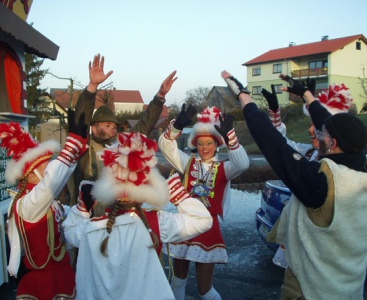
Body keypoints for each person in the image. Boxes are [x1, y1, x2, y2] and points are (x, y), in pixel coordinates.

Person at [222, 70, 367, 299]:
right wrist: (307, 94)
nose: (317, 134)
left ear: (333, 142)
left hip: (312, 288)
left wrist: (244, 97)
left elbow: (272, 143)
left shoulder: (322, 183)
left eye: (321, 134)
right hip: (349, 286)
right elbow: (331, 124)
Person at [62, 132, 213, 300]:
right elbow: (203, 220)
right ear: (145, 189)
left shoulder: (91, 227)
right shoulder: (157, 222)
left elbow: (69, 231)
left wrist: (83, 207)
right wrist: (179, 195)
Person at [158, 104, 250, 300]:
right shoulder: (187, 162)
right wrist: (177, 126)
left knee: (204, 290)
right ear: (195, 145)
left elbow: (243, 163)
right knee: (177, 282)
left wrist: (231, 137)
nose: (205, 148)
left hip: (209, 228)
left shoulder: (225, 168)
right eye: (201, 143)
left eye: (209, 143)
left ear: (217, 144)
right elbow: (165, 147)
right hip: (184, 224)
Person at [0, 109, 88, 299]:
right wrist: (72, 146)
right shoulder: (28, 203)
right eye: (45, 165)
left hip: (61, 276)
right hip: (43, 283)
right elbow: (53, 180)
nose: (50, 166)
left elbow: (67, 222)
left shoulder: (50, 202)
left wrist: (83, 206)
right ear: (30, 174)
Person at [70, 54, 177, 211]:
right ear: (93, 128)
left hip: (114, 216)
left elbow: (143, 127)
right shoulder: (82, 147)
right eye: (107, 125)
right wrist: (92, 86)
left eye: (114, 125)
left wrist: (160, 97)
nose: (113, 128)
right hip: (86, 217)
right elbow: (81, 119)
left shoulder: (119, 148)